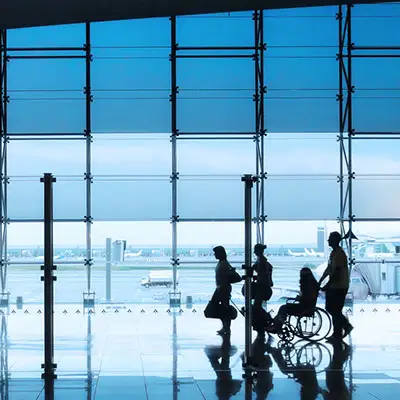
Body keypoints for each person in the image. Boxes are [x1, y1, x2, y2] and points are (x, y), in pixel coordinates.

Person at [319, 231, 353, 341]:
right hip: (335, 286)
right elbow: (329, 269)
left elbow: (337, 273)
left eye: (330, 238)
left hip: (339, 286)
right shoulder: (333, 253)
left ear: (335, 240)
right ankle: (340, 330)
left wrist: (327, 285)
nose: (328, 240)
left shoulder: (339, 254)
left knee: (334, 309)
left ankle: (340, 330)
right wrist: (321, 281)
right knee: (333, 309)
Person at [252, 243, 274, 337]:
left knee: (257, 306)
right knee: (257, 306)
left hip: (262, 286)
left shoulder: (261, 260)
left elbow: (262, 274)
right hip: (263, 285)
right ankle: (265, 320)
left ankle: (266, 320)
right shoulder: (261, 260)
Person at [212, 245, 232, 336]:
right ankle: (225, 327)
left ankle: (226, 327)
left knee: (224, 308)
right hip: (221, 288)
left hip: (223, 288)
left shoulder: (223, 264)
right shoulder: (223, 262)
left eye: (215, 253)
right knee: (223, 308)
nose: (214, 254)